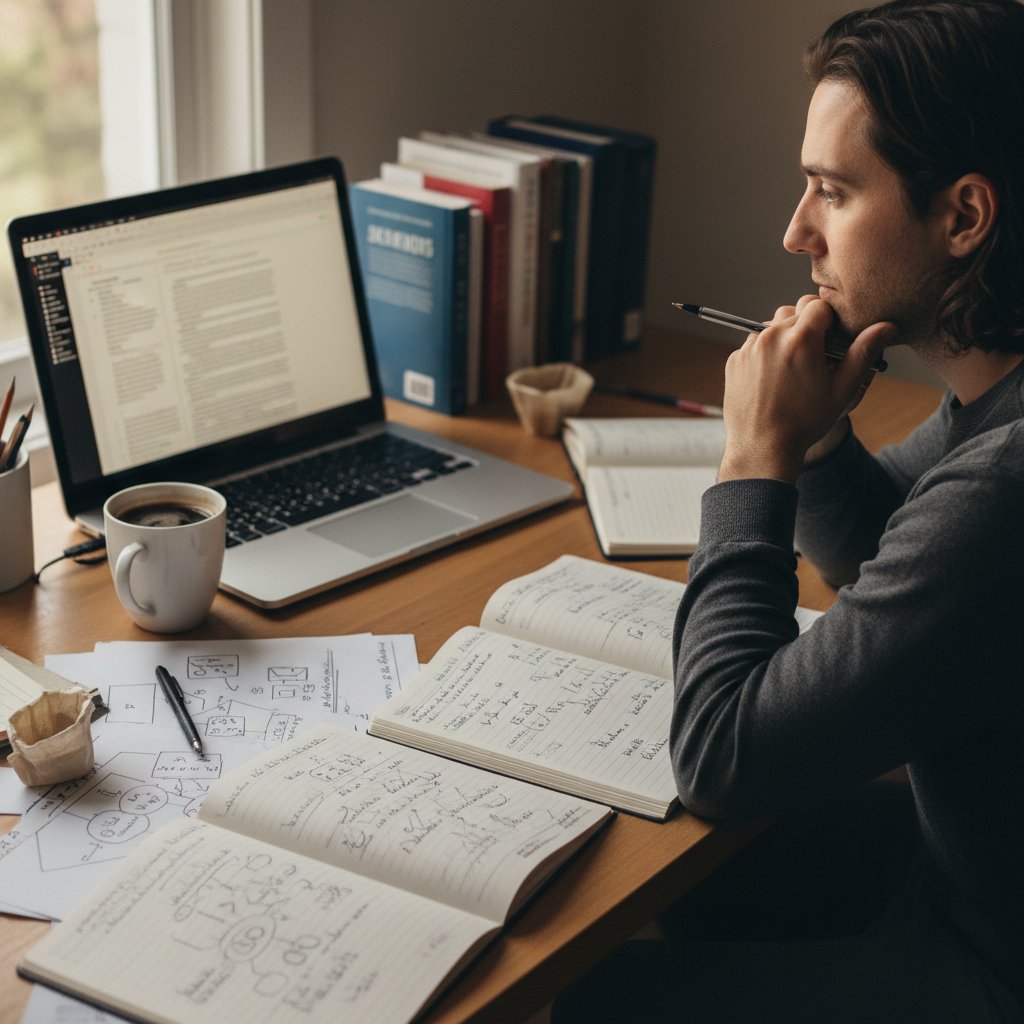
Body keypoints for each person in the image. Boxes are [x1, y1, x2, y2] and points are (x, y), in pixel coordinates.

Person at [553, 1, 1024, 1021]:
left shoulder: (1006, 488)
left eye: (833, 191)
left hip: (987, 967)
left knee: (575, 995)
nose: (794, 230)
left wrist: (753, 458)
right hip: (967, 877)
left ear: (964, 216)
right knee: (630, 886)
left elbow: (724, 756)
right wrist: (815, 440)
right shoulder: (993, 404)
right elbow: (894, 555)